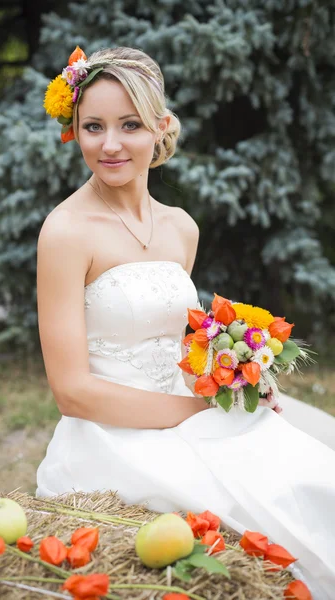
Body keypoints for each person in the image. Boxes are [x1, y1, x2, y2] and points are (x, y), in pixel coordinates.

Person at [36, 46, 335, 598]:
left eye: (129, 125)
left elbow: (178, 340)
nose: (109, 144)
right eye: (92, 127)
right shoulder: (66, 232)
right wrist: (195, 411)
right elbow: (72, 391)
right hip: (114, 434)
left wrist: (235, 371)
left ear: (160, 127)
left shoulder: (181, 228)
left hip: (191, 405)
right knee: (239, 514)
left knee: (310, 481)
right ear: (73, 131)